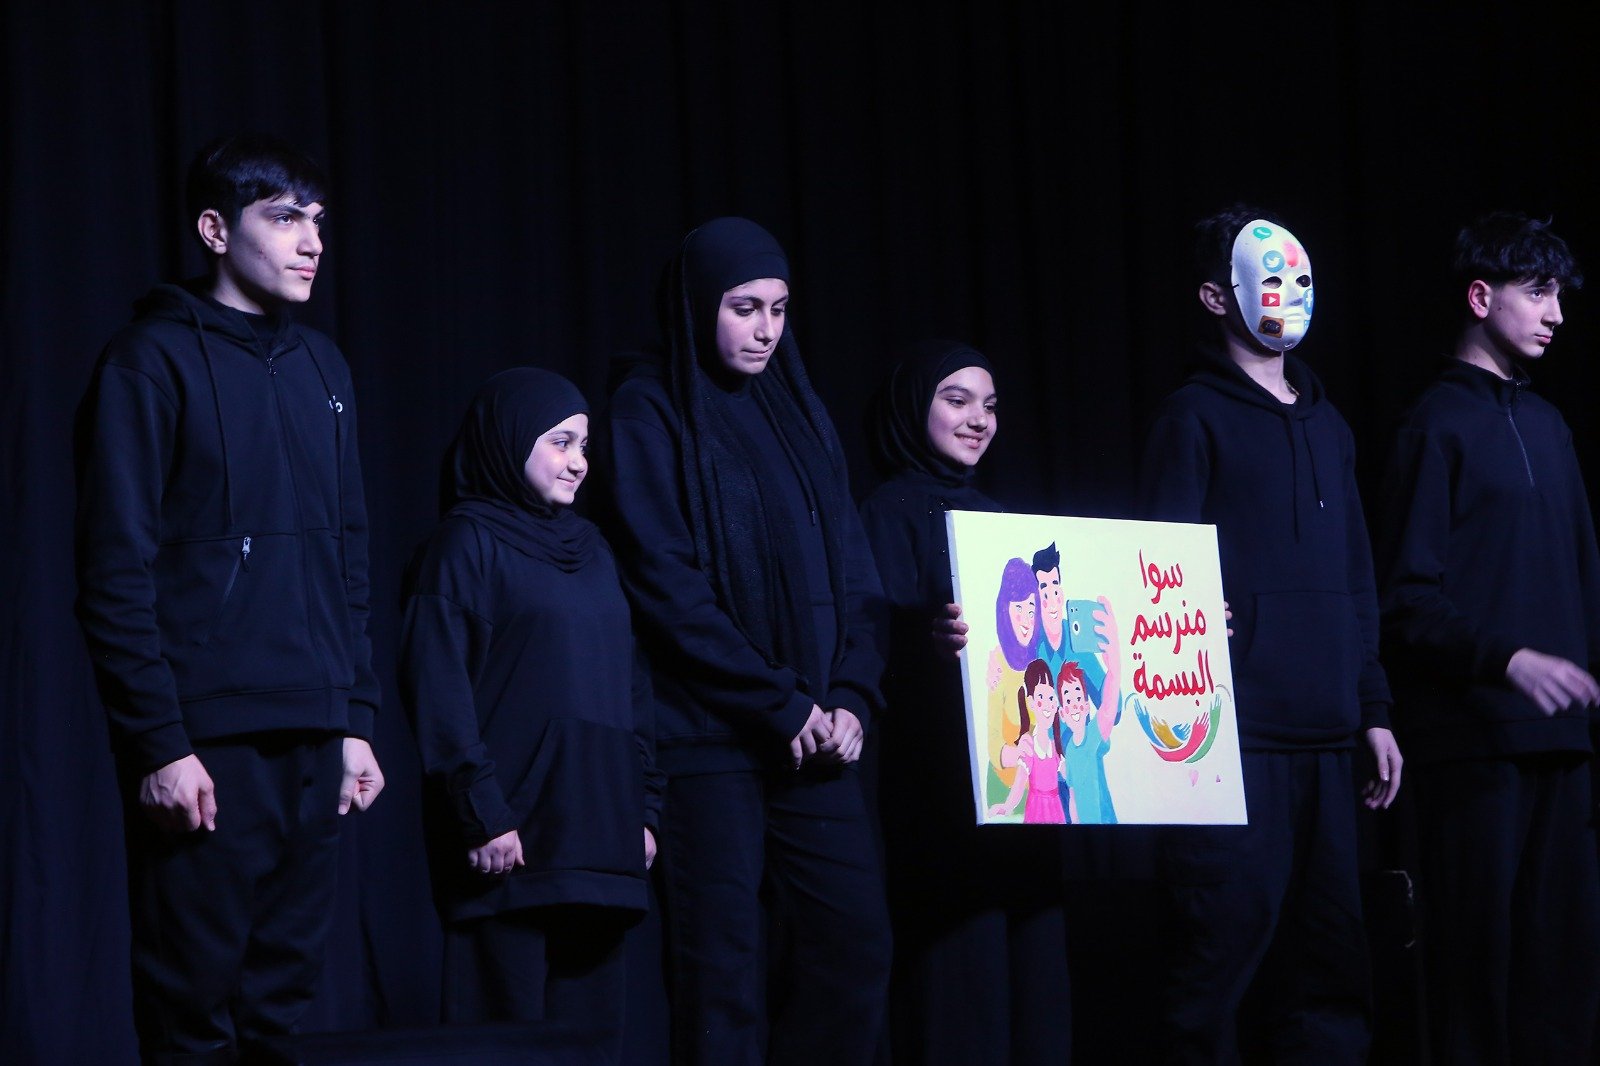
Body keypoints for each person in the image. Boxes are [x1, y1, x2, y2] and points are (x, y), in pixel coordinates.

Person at [74, 134, 384, 1063]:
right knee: (193, 1013)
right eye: (284, 218)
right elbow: (113, 571)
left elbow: (349, 556)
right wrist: (160, 742)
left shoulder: (326, 370)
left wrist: (355, 718)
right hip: (208, 742)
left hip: (315, 730)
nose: (312, 241)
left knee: (279, 1012)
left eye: (318, 220)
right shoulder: (148, 362)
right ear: (215, 229)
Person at [601, 216, 891, 1064]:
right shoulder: (648, 408)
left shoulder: (797, 410)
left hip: (816, 740)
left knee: (855, 948)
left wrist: (850, 695)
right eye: (744, 307)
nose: (766, 329)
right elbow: (665, 585)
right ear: (699, 306)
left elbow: (855, 576)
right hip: (712, 742)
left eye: (779, 308)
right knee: (721, 977)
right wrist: (776, 700)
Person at [1138, 207, 1402, 1064]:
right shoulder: (1192, 417)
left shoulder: (1332, 427)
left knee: (1329, 968)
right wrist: (1189, 611)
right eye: (1269, 278)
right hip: (1234, 743)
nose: (1288, 294)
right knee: (1216, 961)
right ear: (1218, 297)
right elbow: (1157, 563)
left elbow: (1357, 575)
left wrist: (1373, 708)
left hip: (1327, 736)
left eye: (1300, 278)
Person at [1374, 211, 1600, 1064]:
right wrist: (1506, 660)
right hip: (1472, 745)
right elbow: (1406, 598)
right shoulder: (1433, 424)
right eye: (1537, 292)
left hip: (1561, 744)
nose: (1556, 314)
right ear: (1480, 297)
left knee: (1562, 975)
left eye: (1559, 295)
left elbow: (1582, 576)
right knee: (1476, 974)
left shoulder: (1549, 425)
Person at [399, 368, 663, 1055]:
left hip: (600, 842)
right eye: (560, 442)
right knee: (501, 1047)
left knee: (592, 1047)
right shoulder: (464, 545)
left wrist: (643, 809)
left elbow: (632, 687)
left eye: (584, 446)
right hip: (509, 847)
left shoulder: (594, 551)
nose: (579, 462)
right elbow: (439, 690)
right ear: (510, 441)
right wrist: (480, 812)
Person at [858, 338, 1069, 1064]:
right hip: (938, 782)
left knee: (1032, 968)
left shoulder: (1002, 518)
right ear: (913, 408)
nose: (979, 419)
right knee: (960, 975)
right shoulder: (886, 511)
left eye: (990, 405)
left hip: (1020, 783)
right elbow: (866, 641)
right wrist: (929, 637)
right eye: (957, 400)